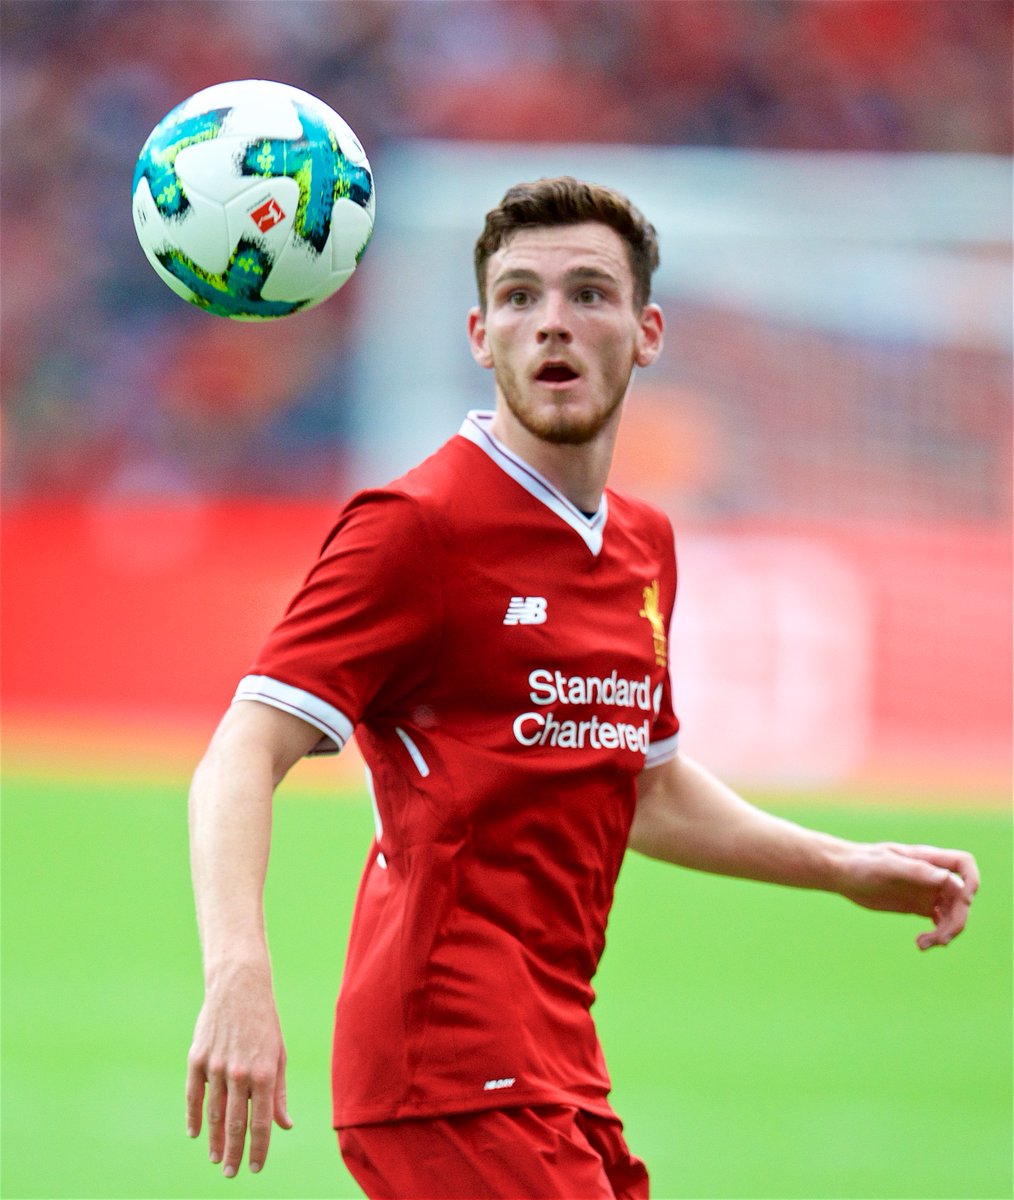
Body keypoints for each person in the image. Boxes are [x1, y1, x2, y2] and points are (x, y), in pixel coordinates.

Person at [185, 177, 978, 1199]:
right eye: (520, 296)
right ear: (481, 336)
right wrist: (237, 972)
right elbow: (244, 748)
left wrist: (844, 866)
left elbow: (645, 786)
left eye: (589, 294)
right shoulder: (415, 528)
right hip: (444, 1064)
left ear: (647, 332)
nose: (551, 321)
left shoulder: (644, 544)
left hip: (555, 1053)